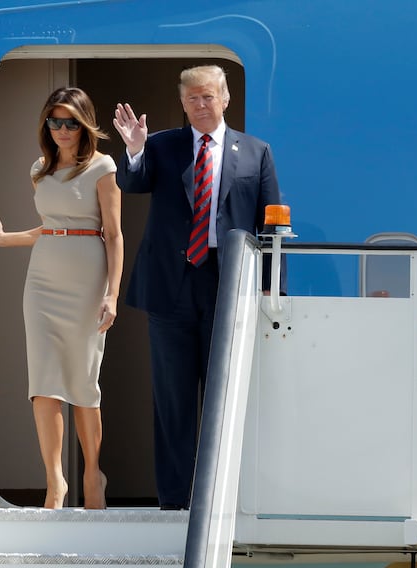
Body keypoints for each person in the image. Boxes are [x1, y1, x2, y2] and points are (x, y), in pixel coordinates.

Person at [113, 65, 283, 510]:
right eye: (192, 99)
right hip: (170, 290)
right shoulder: (163, 146)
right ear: (183, 103)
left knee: (225, 399)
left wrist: (270, 289)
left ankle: (223, 500)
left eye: (208, 97)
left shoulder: (255, 152)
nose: (200, 105)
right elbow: (132, 183)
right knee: (174, 403)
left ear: (225, 99)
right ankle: (175, 503)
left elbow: (271, 224)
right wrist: (134, 149)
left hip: (228, 289)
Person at [0, 87, 123, 510]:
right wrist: (5, 239)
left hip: (88, 279)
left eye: (70, 122)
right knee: (44, 382)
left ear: (84, 124)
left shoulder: (103, 166)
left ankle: (92, 474)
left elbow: (114, 234)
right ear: (46, 125)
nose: (62, 129)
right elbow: (49, 227)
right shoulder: (39, 169)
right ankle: (55, 482)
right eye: (55, 121)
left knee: (84, 382)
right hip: (43, 281)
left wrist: (113, 294)